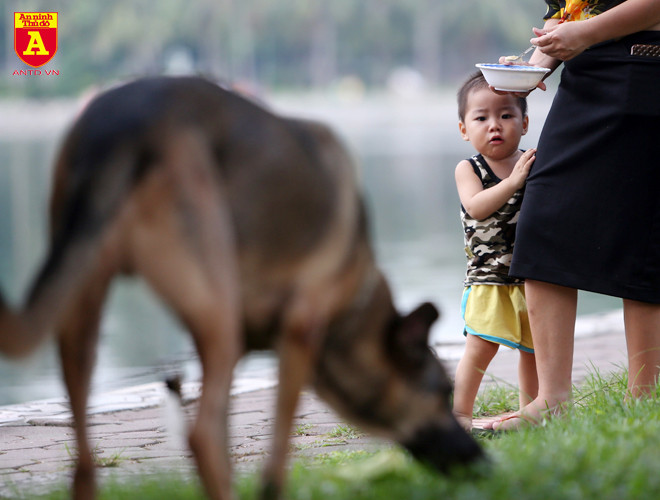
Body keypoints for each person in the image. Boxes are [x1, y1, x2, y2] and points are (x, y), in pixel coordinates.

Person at [485, 0, 660, 431]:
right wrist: (533, 68)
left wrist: (584, 34)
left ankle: (644, 398)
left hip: (644, 66)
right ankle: (552, 402)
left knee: (641, 237)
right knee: (544, 219)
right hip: (584, 76)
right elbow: (564, 12)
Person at [452, 72, 538, 431]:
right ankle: (459, 414)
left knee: (534, 350)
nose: (494, 125)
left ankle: (532, 411)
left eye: (506, 115)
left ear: (524, 123)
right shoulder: (469, 168)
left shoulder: (534, 162)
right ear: (464, 129)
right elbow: (476, 207)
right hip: (488, 277)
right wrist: (514, 181)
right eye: (481, 118)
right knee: (481, 345)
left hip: (532, 277)